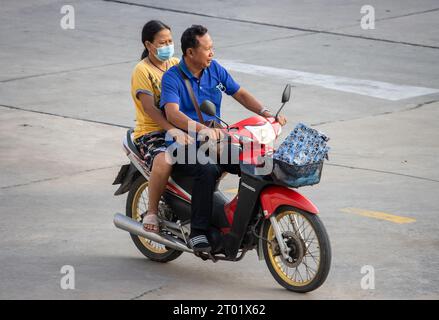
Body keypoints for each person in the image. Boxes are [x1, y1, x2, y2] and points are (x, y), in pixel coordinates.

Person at [160, 25, 287, 253]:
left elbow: (239, 93)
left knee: (253, 162)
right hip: (183, 144)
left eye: (213, 48)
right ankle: (198, 232)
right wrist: (200, 129)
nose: (212, 53)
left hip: (215, 141)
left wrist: (266, 113)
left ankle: (242, 219)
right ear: (190, 53)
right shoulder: (173, 78)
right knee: (207, 170)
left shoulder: (214, 70)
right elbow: (172, 113)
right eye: (207, 49)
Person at [131, 20, 193, 233]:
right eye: (162, 42)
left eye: (170, 41)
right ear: (149, 45)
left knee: (219, 152)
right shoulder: (142, 70)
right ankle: (151, 211)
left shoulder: (175, 64)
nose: (168, 45)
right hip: (151, 131)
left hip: (178, 125)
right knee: (164, 160)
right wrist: (172, 130)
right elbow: (150, 109)